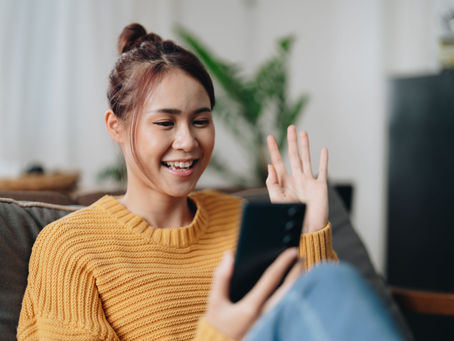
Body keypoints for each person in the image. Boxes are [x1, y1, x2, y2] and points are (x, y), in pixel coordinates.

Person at [16, 23, 402, 341]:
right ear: (115, 127)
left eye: (200, 121)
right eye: (165, 123)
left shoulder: (239, 219)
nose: (187, 141)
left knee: (330, 282)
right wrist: (218, 332)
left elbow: (309, 323)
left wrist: (313, 232)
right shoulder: (71, 247)